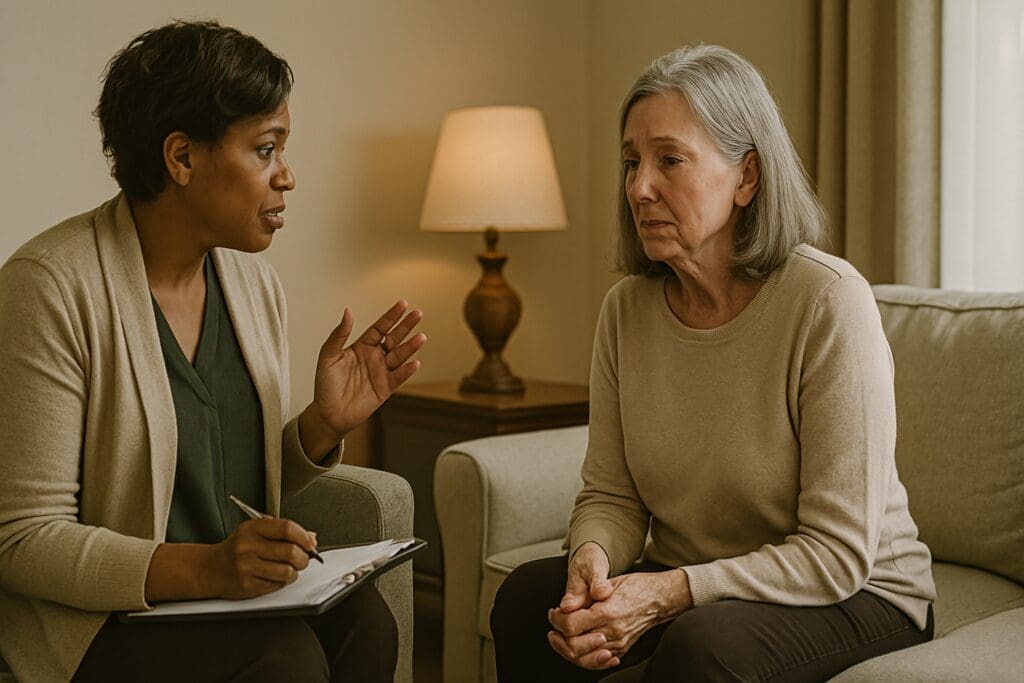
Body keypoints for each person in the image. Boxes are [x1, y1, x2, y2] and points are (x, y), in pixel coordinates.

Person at [490, 44, 936, 682]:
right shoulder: (626, 311)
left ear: (747, 177)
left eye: (669, 159)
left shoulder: (828, 300)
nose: (639, 187)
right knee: (529, 603)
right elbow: (612, 494)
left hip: (860, 591)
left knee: (702, 646)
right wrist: (590, 559)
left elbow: (837, 554)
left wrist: (671, 591)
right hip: (700, 578)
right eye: (631, 162)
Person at [0, 20, 425, 682]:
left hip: (220, 603)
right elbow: (24, 539)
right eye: (265, 149)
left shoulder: (253, 284)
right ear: (182, 158)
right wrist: (205, 567)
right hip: (101, 623)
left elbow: (221, 482)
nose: (287, 176)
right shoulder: (50, 287)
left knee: (368, 623)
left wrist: (320, 426)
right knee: (286, 661)